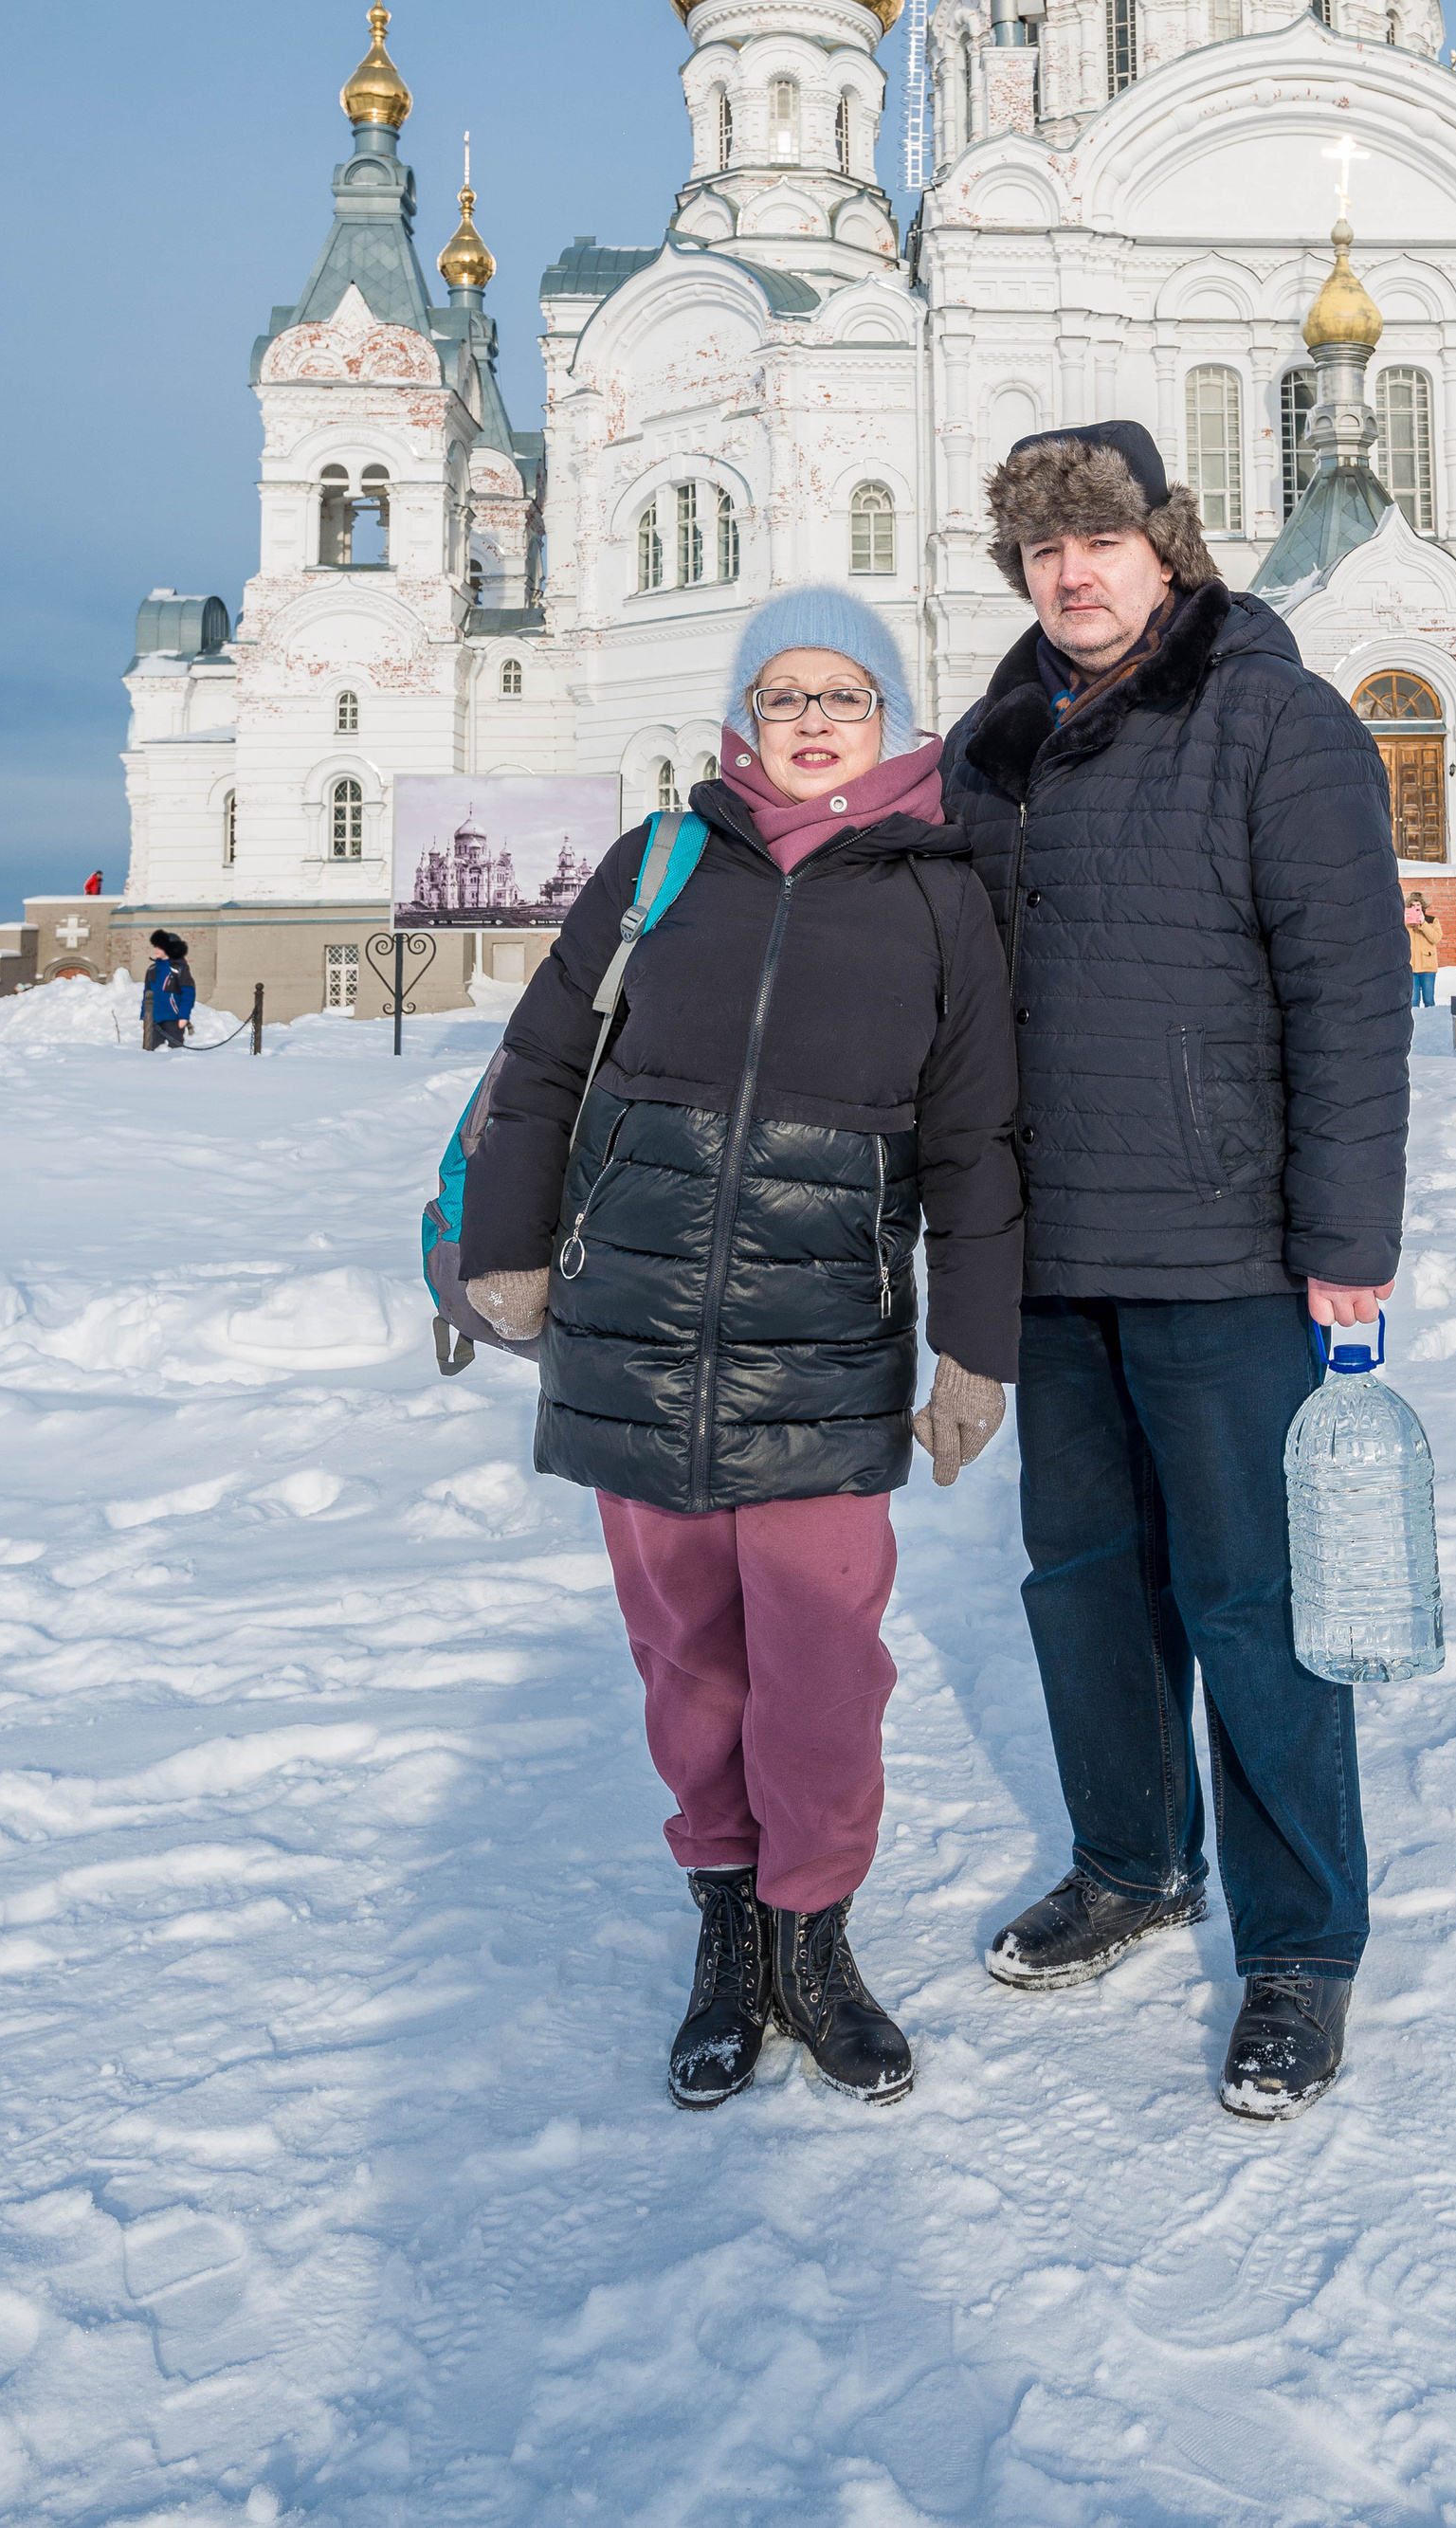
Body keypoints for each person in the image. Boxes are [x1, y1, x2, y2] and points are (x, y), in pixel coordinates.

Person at [458, 589, 1021, 2112]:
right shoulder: (662, 864)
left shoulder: (940, 894)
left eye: (847, 692)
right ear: (741, 720)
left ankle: (812, 1932)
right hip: (630, 1325)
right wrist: (502, 1247)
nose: (817, 716)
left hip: (823, 1341)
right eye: (785, 694)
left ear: (895, 717)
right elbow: (539, 1068)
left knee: (824, 1661)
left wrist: (973, 1351)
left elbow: (976, 1143)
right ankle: (726, 1917)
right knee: (686, 1656)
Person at [940, 419, 1410, 2121]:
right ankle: (1133, 1863)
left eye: (1102, 544)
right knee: (1085, 1587)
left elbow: (1352, 996)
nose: (1073, 574)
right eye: (1044, 552)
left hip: (1226, 1249)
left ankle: (1301, 1947)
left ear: (1170, 550)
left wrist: (1347, 1238)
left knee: (1259, 1609)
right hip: (1051, 1251)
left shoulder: (1275, 721)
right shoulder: (991, 746)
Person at [142, 930, 194, 1051]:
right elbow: (147, 995)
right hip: (154, 1019)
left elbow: (188, 994)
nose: (156, 949)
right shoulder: (152, 970)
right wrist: (145, 1017)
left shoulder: (180, 969)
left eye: (161, 947)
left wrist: (184, 1016)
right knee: (149, 1052)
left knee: (175, 1051)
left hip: (173, 1019)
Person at [1405, 891, 1443, 1010]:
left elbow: (1435, 938)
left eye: (1417, 905)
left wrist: (1423, 924)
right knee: (1413, 1001)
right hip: (1411, 967)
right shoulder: (1404, 922)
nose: (1415, 908)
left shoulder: (1432, 921)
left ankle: (1430, 1025)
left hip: (1428, 967)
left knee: (1429, 1000)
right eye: (1412, 906)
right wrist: (1404, 922)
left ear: (1423, 906)